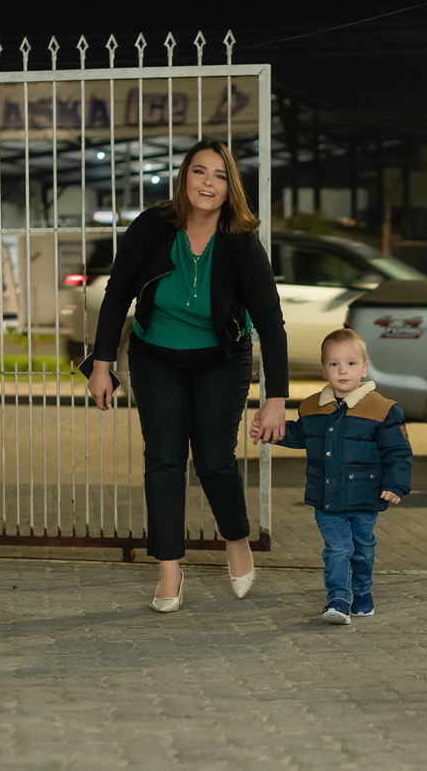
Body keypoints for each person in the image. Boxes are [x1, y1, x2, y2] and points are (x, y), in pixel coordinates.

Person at [85, 139, 288, 613]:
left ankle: (235, 540)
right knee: (164, 460)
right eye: (200, 172)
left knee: (215, 458)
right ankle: (170, 569)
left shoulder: (240, 241)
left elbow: (271, 321)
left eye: (219, 175)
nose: (208, 183)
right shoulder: (153, 228)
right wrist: (101, 365)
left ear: (229, 187)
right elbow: (117, 294)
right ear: (184, 178)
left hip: (222, 359)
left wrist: (275, 397)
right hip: (156, 358)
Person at [253, 328, 412, 625]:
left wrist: (396, 484)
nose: (343, 370)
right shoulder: (312, 406)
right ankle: (338, 599)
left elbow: (398, 452)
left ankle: (362, 592)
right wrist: (271, 432)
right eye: (334, 363)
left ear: (364, 368)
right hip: (326, 498)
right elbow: (301, 435)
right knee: (338, 549)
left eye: (351, 363)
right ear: (323, 369)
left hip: (366, 497)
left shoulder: (382, 409)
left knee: (362, 550)